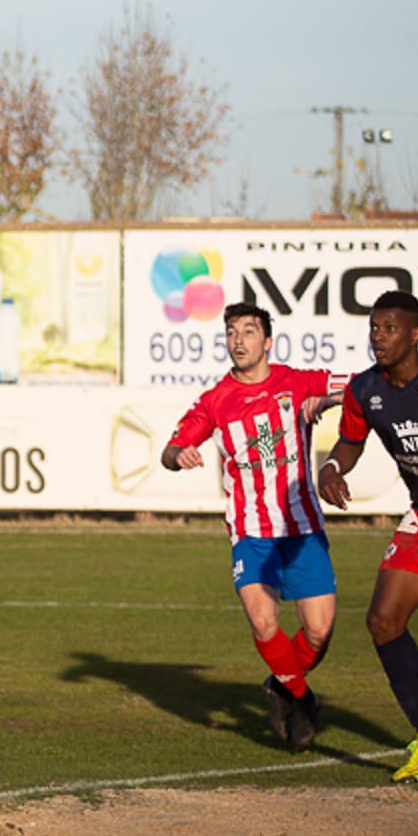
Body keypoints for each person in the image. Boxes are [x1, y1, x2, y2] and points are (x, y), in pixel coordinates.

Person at [163, 301, 341, 750]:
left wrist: (329, 398)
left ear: (267, 340)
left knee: (319, 631)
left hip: (302, 528)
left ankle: (282, 684)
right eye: (231, 332)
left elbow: (363, 387)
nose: (238, 340)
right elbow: (170, 448)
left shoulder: (299, 382)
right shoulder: (216, 400)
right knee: (264, 622)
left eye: (248, 331)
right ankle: (301, 699)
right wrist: (177, 455)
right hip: (251, 532)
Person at [318, 290, 418, 780]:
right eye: (374, 327)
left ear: (415, 334)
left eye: (389, 328)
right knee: (384, 621)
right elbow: (349, 443)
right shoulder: (365, 389)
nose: (378, 337)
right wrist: (330, 467)